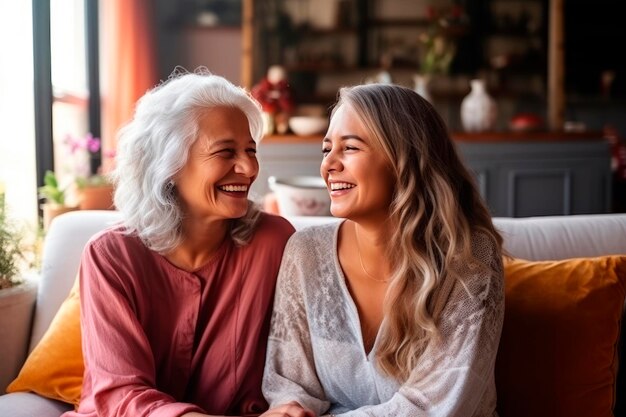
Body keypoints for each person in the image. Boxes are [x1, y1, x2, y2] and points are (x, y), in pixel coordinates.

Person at [63, 70, 295, 417]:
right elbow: (122, 394)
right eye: (225, 152)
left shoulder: (275, 243)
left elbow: (302, 366)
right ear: (169, 164)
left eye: (250, 150)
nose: (248, 168)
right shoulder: (110, 256)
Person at [263, 84, 504, 416]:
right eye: (326, 148)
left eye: (350, 148)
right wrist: (290, 409)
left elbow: (434, 408)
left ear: (404, 159)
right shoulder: (306, 253)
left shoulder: (470, 257)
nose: (329, 165)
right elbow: (292, 384)